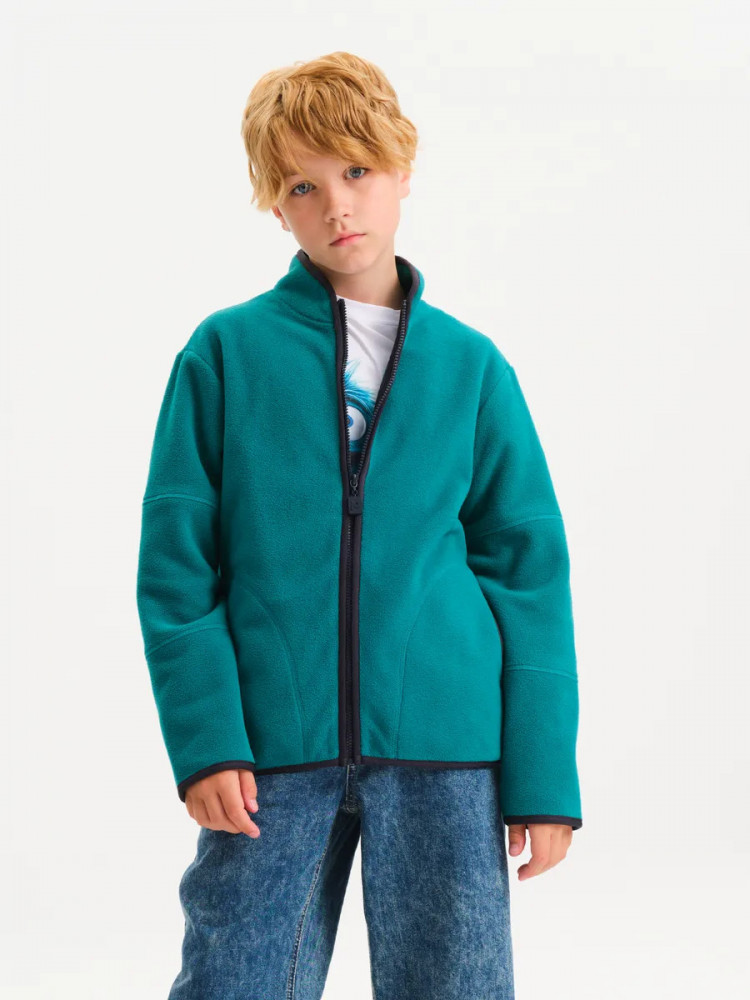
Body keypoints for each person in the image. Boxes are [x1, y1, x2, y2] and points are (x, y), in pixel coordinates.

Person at [136, 49, 582, 1000]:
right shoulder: (225, 354)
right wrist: (207, 739)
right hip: (268, 754)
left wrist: (542, 777)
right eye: (304, 186)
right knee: (234, 978)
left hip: (448, 750)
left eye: (357, 171)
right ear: (276, 205)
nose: (337, 205)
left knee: (454, 984)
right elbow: (177, 566)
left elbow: (528, 571)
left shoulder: (472, 367)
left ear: (402, 170)